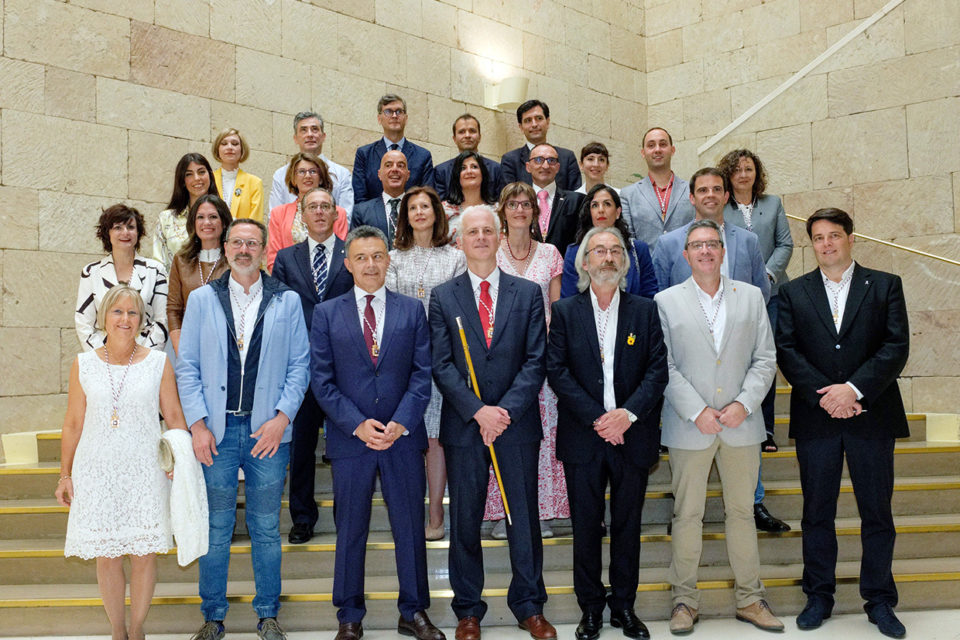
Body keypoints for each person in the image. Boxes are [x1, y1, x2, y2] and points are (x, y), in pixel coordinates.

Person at [776, 208, 910, 639]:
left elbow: (895, 347)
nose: (827, 243)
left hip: (871, 415)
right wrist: (829, 396)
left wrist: (851, 390)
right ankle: (819, 595)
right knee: (817, 513)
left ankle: (880, 600)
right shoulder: (794, 292)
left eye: (835, 235)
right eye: (818, 237)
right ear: (810, 244)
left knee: (877, 512)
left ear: (852, 239)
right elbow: (787, 351)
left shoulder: (886, 285)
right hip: (818, 418)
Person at [176, 218, 309, 640]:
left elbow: (299, 366)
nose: (244, 249)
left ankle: (268, 614)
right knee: (216, 529)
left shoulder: (286, 301)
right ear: (226, 248)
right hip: (214, 432)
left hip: (266, 433)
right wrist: (197, 425)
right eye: (237, 242)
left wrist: (282, 418)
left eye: (252, 242)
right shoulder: (201, 299)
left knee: (266, 527)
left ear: (265, 249)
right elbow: (188, 367)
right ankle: (213, 617)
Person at [311, 225, 444, 640]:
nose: (371, 264)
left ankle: (414, 611)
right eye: (362, 257)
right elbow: (322, 380)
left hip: (402, 438)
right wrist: (356, 424)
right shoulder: (326, 313)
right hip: (351, 438)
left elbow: (423, 375)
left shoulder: (411, 310)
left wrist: (401, 421)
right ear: (348, 263)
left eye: (378, 256)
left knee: (409, 525)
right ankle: (349, 615)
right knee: (351, 528)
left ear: (389, 260)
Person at [430, 205, 556, 640]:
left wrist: (502, 412)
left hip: (516, 424)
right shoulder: (443, 296)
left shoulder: (527, 293)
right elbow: (442, 365)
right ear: (460, 241)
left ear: (501, 236)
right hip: (465, 426)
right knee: (465, 520)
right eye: (472, 232)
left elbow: (536, 360)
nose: (481, 237)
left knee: (523, 516)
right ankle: (468, 610)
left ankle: (529, 604)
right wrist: (478, 411)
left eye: (488, 230)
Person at [654, 220, 783, 635]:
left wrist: (744, 404)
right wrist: (698, 411)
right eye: (697, 245)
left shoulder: (750, 297)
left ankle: (750, 598)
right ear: (685, 254)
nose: (706, 251)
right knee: (687, 514)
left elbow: (765, 358)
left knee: (742, 513)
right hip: (690, 426)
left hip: (742, 424)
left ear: (723, 251)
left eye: (712, 244)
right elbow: (665, 365)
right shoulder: (665, 300)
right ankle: (684, 601)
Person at [547, 226, 668, 640]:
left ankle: (625, 607)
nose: (608, 258)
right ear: (584, 262)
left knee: (628, 526)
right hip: (584, 437)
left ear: (626, 262)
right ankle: (591, 609)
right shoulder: (565, 312)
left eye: (616, 251)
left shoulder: (645, 310)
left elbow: (657, 371)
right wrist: (601, 418)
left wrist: (626, 416)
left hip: (632, 435)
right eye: (599, 251)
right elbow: (557, 372)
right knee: (585, 527)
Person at [652, 167, 787, 534]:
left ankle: (754, 502)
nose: (710, 195)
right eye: (702, 190)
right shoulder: (668, 244)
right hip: (688, 369)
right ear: (691, 197)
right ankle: (682, 509)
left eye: (717, 189)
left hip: (737, 364)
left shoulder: (746, 241)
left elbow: (760, 290)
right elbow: (659, 300)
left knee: (744, 439)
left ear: (727, 196)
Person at [57, 284, 189, 640]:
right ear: (104, 317)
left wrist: (181, 461)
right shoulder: (83, 364)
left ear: (142, 319)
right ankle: (117, 630)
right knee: (107, 554)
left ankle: (137, 628)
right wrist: (64, 474)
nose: (125, 319)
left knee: (144, 553)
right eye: (118, 312)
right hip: (96, 469)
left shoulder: (158, 363)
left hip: (145, 468)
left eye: (133, 313)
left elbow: (175, 417)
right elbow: (72, 423)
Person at [272, 187, 355, 545]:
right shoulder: (287, 259)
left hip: (345, 366)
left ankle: (348, 516)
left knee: (345, 446)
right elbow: (277, 312)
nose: (319, 212)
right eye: (312, 207)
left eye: (326, 206)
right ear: (301, 215)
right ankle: (302, 517)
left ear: (336, 213)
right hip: (301, 367)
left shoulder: (352, 255)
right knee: (302, 448)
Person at [485, 183, 567, 540]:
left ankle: (540, 511)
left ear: (535, 211)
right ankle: (503, 512)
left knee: (544, 436)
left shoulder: (550, 254)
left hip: (540, 360)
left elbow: (557, 308)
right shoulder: (490, 251)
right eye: (512, 203)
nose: (519, 210)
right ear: (502, 210)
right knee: (502, 431)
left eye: (526, 204)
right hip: (498, 359)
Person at [385, 186, 466, 541]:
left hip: (441, 359)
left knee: (434, 439)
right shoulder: (392, 257)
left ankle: (435, 511)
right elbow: (387, 308)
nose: (419, 212)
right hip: (401, 360)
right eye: (412, 207)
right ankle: (409, 511)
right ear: (405, 216)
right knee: (405, 437)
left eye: (425, 206)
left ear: (437, 213)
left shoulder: (454, 257)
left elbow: (457, 310)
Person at [718, 149, 794, 452]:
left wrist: (768, 275)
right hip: (734, 295)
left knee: (765, 360)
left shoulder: (772, 203)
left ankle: (766, 429)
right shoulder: (723, 206)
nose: (742, 174)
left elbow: (785, 244)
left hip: (772, 295)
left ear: (756, 173)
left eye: (748, 169)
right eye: (736, 170)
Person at [76, 204, 168, 352]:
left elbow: (162, 320)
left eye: (131, 227)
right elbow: (83, 323)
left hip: (146, 355)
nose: (125, 233)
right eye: (118, 227)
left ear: (138, 233)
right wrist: (103, 357)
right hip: (103, 356)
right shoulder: (91, 272)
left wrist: (144, 356)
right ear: (107, 233)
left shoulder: (156, 270)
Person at [560, 184, 658, 299]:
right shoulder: (575, 252)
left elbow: (649, 296)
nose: (601, 210)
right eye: (595, 205)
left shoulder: (638, 250)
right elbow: (568, 300)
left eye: (607, 204)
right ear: (589, 212)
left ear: (618, 212)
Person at [167, 194, 232, 354]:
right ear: (193, 223)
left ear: (224, 223)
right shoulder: (181, 260)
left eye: (213, 217)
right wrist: (181, 350)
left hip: (226, 345)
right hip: (186, 344)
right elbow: (173, 309)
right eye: (200, 217)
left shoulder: (234, 261)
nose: (206, 223)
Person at [266, 152, 349, 271]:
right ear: (293, 179)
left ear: (321, 178)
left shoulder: (338, 213)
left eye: (313, 171)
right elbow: (273, 260)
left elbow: (341, 256)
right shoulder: (278, 214)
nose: (307, 176)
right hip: (290, 283)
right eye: (301, 172)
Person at [619, 128, 695, 251]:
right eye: (651, 145)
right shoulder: (628, 194)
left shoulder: (691, 190)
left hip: (686, 267)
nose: (657, 149)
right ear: (643, 153)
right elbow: (629, 240)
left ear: (672, 150)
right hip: (647, 267)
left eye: (663, 144)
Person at [269, 111, 354, 218]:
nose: (310, 134)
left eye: (315, 129)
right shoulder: (281, 174)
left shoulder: (342, 174)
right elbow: (273, 217)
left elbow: (345, 217)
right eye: (303, 130)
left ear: (323, 136)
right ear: (295, 138)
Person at [352, 94, 433, 204]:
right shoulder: (364, 155)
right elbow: (360, 199)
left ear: (406, 118)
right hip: (373, 219)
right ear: (379, 118)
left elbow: (427, 199)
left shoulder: (423, 156)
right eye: (388, 111)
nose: (394, 116)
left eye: (399, 111)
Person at [154, 153, 220, 270]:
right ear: (183, 181)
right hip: (174, 286)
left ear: (210, 175)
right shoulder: (166, 219)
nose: (197, 178)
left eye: (201, 172)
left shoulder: (224, 218)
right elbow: (158, 264)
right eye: (189, 174)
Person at [500, 99, 581, 191]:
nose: (534, 124)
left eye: (539, 118)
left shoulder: (567, 158)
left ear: (547, 122)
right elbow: (509, 198)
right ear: (521, 127)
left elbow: (576, 199)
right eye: (528, 120)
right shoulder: (510, 160)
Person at [524, 144, 584, 252]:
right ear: (528, 166)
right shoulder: (519, 202)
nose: (546, 166)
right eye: (539, 160)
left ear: (558, 167)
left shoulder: (576, 201)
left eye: (551, 160)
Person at [432, 114, 503, 202]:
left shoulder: (496, 169)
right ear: (454, 139)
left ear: (480, 137)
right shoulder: (441, 171)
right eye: (461, 132)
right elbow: (438, 207)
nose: (467, 135)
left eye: (472, 131)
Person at [351, 149, 410, 249]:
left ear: (408, 175)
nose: (395, 169)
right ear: (379, 174)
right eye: (388, 165)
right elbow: (355, 250)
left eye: (400, 166)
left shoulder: (419, 211)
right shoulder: (361, 212)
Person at [441, 150, 499, 241]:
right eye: (463, 168)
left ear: (482, 174)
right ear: (457, 176)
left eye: (474, 167)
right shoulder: (444, 210)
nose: (469, 171)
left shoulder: (497, 210)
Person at [212, 127, 264, 223]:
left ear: (242, 150)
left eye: (235, 144)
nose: (229, 147)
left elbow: (255, 223)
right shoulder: (209, 179)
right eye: (224, 143)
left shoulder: (254, 183)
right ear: (217, 149)